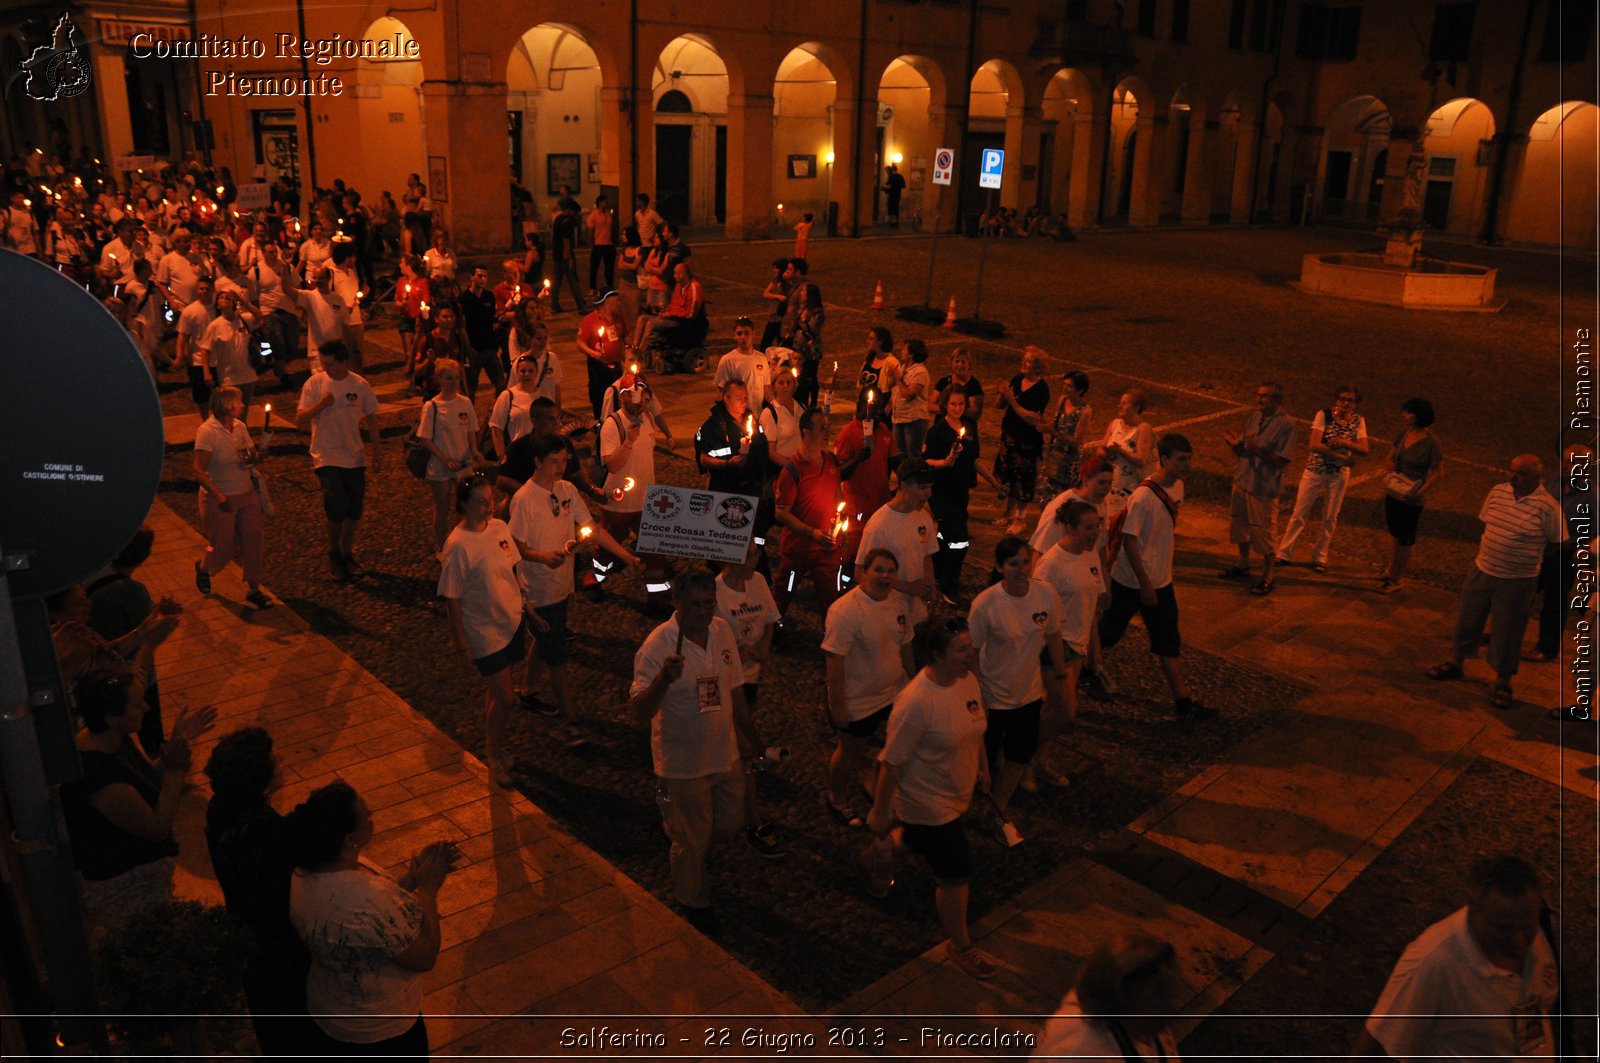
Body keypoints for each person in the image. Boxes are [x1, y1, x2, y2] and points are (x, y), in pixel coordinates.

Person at [288, 781, 459, 1057]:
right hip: (378, 1030)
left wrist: (413, 878)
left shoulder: (306, 872)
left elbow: (374, 919)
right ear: (349, 838)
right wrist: (428, 888)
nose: (372, 816)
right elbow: (424, 956)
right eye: (366, 815)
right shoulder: (364, 900)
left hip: (330, 1007)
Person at [866, 619, 995, 979]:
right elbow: (891, 762)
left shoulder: (966, 680)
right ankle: (961, 944)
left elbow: (976, 723)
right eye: (962, 649)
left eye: (970, 647)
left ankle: (882, 854)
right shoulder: (916, 701)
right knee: (955, 873)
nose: (970, 655)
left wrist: (983, 768)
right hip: (928, 801)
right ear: (937, 655)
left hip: (957, 792)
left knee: (915, 840)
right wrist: (880, 809)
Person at [629, 570, 758, 927]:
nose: (703, 612)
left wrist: (751, 736)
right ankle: (693, 900)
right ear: (677, 603)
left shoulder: (722, 632)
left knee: (730, 823)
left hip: (723, 754)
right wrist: (663, 681)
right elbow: (639, 713)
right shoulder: (657, 647)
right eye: (695, 605)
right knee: (693, 841)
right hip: (682, 766)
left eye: (709, 604)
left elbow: (734, 690)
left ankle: (682, 833)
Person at [1355, 855, 1558, 1059]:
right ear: (1473, 907)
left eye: (1526, 927)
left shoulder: (1531, 928)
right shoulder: (1435, 962)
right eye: (1502, 929)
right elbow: (1376, 1049)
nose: (1518, 940)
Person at [60, 668, 215, 931]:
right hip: (126, 887)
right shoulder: (99, 777)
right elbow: (155, 827)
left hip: (140, 873)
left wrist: (176, 745)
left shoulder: (111, 738)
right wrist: (176, 769)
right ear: (111, 716)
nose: (146, 708)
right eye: (137, 704)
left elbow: (143, 782)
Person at [508, 435, 639, 747]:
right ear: (537, 462)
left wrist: (625, 556)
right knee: (558, 658)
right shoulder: (524, 499)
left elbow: (592, 529)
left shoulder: (566, 490)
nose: (561, 467)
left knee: (546, 640)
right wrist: (543, 557)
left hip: (561, 586)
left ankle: (527, 691)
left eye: (565, 461)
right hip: (538, 590)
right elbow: (516, 546)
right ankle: (570, 724)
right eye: (554, 461)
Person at [203, 728, 319, 1055]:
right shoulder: (267, 831)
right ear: (259, 779)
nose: (282, 761)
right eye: (275, 760)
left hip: (248, 935)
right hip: (280, 946)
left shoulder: (220, 808)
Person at [1427, 455, 1565, 709]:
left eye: (1521, 473)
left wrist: (1523, 558)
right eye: (1511, 471)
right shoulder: (1497, 492)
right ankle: (1456, 663)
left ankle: (1503, 681)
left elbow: (1557, 544)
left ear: (1537, 478)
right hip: (1483, 569)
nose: (1513, 478)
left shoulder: (1548, 508)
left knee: (1508, 630)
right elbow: (1486, 523)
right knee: (1468, 619)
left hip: (1517, 580)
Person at [1100, 433, 1215, 722]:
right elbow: (1129, 542)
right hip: (1131, 581)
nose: (1186, 465)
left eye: (1188, 459)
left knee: (1167, 639)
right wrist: (1146, 584)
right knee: (1107, 634)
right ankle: (1081, 671)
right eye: (1181, 460)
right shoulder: (1143, 496)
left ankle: (1183, 702)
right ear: (1164, 459)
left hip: (1161, 580)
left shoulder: (1179, 486)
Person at [439, 476, 534, 786]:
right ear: (464, 505)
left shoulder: (498, 528)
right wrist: (461, 643)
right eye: (480, 502)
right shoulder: (457, 545)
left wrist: (529, 609)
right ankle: (493, 752)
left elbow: (514, 569)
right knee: (506, 698)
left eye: (490, 500)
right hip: (483, 631)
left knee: (498, 691)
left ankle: (492, 743)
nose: (488, 507)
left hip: (510, 620)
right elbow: (452, 598)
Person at [967, 537, 1065, 829]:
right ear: (1000, 567)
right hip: (993, 696)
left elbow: (1054, 635)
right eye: (1013, 564)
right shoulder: (986, 604)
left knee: (1019, 755)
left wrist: (1059, 672)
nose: (1022, 569)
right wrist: (976, 693)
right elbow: (971, 650)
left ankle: (998, 810)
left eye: (1025, 561)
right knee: (979, 759)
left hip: (1028, 694)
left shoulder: (1045, 594)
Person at [822, 549, 917, 826]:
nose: (885, 576)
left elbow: (906, 643)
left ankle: (873, 784)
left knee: (897, 744)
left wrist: (914, 682)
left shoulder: (897, 602)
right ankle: (836, 798)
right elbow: (835, 662)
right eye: (879, 569)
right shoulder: (846, 611)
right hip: (860, 700)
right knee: (849, 751)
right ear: (863, 573)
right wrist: (838, 706)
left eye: (890, 571)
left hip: (894, 692)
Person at [714, 541, 785, 859]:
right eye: (750, 554)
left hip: (750, 677)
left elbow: (770, 618)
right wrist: (742, 651)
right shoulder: (715, 592)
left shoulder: (757, 582)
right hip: (727, 680)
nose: (757, 558)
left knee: (736, 741)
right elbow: (713, 636)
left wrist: (765, 647)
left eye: (757, 553)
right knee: (741, 746)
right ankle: (753, 820)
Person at [1032, 500, 1105, 787]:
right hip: (1058, 648)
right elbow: (1039, 612)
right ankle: (1026, 756)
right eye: (1088, 527)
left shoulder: (1090, 555)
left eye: (1097, 525)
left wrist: (1094, 651)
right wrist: (1057, 654)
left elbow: (1092, 605)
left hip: (1078, 647)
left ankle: (1034, 758)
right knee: (1065, 713)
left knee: (1052, 709)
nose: (1095, 532)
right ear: (1071, 527)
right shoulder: (1051, 564)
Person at [294, 341, 381, 582]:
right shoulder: (314, 384)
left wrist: (377, 450)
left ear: (344, 362)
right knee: (336, 505)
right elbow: (300, 418)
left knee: (354, 508)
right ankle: (333, 552)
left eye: (330, 364)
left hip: (353, 456)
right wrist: (321, 405)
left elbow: (372, 418)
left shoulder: (359, 385)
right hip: (326, 455)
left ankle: (346, 552)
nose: (325, 369)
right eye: (323, 364)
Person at [84, 527, 172, 757]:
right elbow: (149, 631)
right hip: (133, 670)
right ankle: (159, 764)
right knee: (150, 728)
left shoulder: (92, 575)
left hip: (98, 670)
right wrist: (160, 617)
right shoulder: (130, 590)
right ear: (144, 556)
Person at [1035, 933, 1185, 1058]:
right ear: (1122, 1000)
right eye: (1158, 998)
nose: (1173, 1006)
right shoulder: (1079, 1052)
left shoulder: (1147, 1025)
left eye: (1172, 992)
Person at [597, 372, 673, 612]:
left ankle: (657, 598)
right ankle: (594, 578)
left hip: (646, 500)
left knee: (654, 548)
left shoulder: (648, 418)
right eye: (632, 393)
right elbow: (612, 465)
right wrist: (628, 441)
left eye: (641, 393)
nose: (638, 398)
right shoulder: (613, 424)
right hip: (619, 502)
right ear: (622, 397)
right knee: (608, 546)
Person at [1275, 385, 1369, 573]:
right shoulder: (1324, 415)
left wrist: (1345, 442)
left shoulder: (1359, 421)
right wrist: (1342, 457)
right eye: (1342, 399)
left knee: (1330, 517)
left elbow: (1364, 449)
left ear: (1356, 404)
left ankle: (1320, 557)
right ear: (1336, 400)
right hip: (1315, 470)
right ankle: (1284, 553)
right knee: (1299, 513)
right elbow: (1314, 444)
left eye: (1350, 400)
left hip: (1338, 475)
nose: (1345, 403)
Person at [193, 386, 272, 607]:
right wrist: (218, 496)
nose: (243, 405)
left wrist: (259, 456)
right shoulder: (207, 432)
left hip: (246, 494)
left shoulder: (240, 427)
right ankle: (204, 568)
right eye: (239, 402)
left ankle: (253, 588)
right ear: (227, 405)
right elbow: (198, 470)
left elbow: (248, 460)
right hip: (221, 499)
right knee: (223, 545)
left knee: (252, 540)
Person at [923, 388, 998, 606]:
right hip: (942, 492)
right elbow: (926, 461)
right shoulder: (937, 431)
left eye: (961, 404)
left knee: (946, 537)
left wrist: (992, 480)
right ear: (946, 405)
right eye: (953, 404)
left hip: (961, 491)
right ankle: (949, 584)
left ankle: (935, 571)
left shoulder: (970, 428)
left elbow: (974, 458)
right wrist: (944, 463)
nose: (957, 408)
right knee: (960, 540)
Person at [1220, 381, 1295, 596]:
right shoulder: (1255, 417)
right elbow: (1245, 451)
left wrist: (1256, 449)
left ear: (1277, 400)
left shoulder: (1287, 425)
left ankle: (1268, 577)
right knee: (1240, 526)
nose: (1259, 399)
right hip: (1243, 480)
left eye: (1265, 396)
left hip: (1262, 487)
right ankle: (1243, 564)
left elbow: (1282, 460)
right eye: (1258, 395)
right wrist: (1236, 446)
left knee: (1265, 532)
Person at [772, 407, 846, 620]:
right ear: (806, 432)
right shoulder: (792, 470)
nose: (827, 432)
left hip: (827, 549)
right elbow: (780, 512)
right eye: (822, 428)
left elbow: (838, 496)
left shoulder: (831, 460)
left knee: (832, 598)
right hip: (799, 550)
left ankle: (831, 639)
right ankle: (773, 631)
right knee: (784, 593)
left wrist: (841, 524)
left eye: (828, 427)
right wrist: (810, 532)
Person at [855, 458, 939, 636]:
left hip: (918, 616)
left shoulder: (923, 517)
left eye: (930, 487)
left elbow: (926, 556)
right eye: (923, 488)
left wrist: (930, 585)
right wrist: (909, 588)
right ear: (904, 485)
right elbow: (860, 574)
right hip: (888, 617)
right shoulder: (879, 526)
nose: (929, 494)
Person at [1379, 397, 1445, 594]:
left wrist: (1419, 492)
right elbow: (1391, 455)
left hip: (1412, 497)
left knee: (1406, 538)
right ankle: (1391, 570)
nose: (1404, 415)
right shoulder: (1403, 434)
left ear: (1419, 416)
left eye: (1408, 412)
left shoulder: (1431, 443)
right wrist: (1388, 463)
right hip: (1395, 491)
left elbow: (1437, 472)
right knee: (1395, 534)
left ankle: (1397, 578)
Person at [1538, 443, 1592, 676]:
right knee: (1522, 592)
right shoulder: (1553, 482)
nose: (1565, 466)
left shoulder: (1592, 498)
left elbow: (1591, 535)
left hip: (1563, 555)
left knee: (1554, 601)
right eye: (1565, 461)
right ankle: (1509, 631)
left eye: (1572, 462)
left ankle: (1547, 648)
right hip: (1540, 548)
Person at [417, 359, 483, 552]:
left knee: (470, 505)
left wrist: (475, 450)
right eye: (448, 378)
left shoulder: (465, 402)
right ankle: (441, 546)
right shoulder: (432, 407)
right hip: (439, 465)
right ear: (439, 379)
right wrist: (445, 459)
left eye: (456, 378)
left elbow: (472, 430)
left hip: (463, 464)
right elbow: (425, 439)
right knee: (443, 507)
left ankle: (470, 542)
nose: (453, 382)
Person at [835, 388, 898, 587]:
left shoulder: (884, 430)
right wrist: (858, 458)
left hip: (881, 505)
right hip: (858, 508)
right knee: (854, 554)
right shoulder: (847, 434)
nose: (876, 412)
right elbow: (839, 474)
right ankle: (843, 588)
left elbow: (895, 460)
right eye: (871, 406)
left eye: (879, 407)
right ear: (859, 406)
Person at [995, 347, 1051, 536]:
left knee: (1023, 479)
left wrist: (1011, 400)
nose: (1023, 363)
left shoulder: (1042, 389)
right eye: (1023, 360)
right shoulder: (1018, 379)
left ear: (1038, 367)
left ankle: (1021, 518)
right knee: (1009, 475)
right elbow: (999, 405)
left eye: (1028, 361)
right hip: (1009, 436)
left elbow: (1031, 418)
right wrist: (1001, 393)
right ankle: (1008, 512)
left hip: (1026, 441)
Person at [197, 289, 257, 413]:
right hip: (228, 376)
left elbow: (260, 317)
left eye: (228, 297)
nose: (225, 299)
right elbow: (204, 349)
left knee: (244, 410)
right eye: (222, 297)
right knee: (230, 411)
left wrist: (242, 301)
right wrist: (206, 372)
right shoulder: (215, 325)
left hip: (248, 374)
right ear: (217, 305)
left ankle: (241, 431)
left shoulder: (244, 319)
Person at [631, 260, 703, 353]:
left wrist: (670, 315)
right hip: (672, 317)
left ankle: (640, 351)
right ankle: (634, 347)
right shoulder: (679, 286)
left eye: (675, 273)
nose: (673, 276)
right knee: (642, 319)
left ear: (682, 275)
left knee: (651, 323)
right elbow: (673, 304)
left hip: (680, 322)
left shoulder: (694, 287)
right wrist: (664, 311)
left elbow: (690, 313)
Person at [1103, 388, 1156, 513]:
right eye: (1120, 402)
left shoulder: (1143, 429)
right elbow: (1100, 450)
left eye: (1124, 403)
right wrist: (1108, 451)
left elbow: (1141, 460)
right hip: (1112, 486)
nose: (1119, 406)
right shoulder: (1114, 424)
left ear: (1136, 408)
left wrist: (1120, 451)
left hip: (1131, 488)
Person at [577, 289, 627, 418]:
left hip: (616, 365)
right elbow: (580, 343)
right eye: (616, 301)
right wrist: (593, 353)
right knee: (599, 395)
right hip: (598, 366)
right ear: (607, 302)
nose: (619, 304)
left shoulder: (619, 319)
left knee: (617, 395)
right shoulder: (590, 320)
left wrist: (631, 351)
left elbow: (626, 338)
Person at [1045, 370, 1093, 497]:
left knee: (1064, 494)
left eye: (1069, 386)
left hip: (1069, 459)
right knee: (1048, 490)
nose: (1065, 388)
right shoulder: (1062, 400)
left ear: (1080, 390)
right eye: (1064, 384)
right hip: (1055, 453)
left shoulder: (1085, 411)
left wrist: (1053, 432)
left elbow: (1077, 440)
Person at [174, 275, 216, 413]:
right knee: (202, 395)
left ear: (213, 290)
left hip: (219, 358)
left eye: (207, 289)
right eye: (201, 289)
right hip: (197, 359)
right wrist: (180, 356)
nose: (203, 292)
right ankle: (205, 419)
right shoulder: (190, 311)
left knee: (220, 394)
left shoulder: (218, 309)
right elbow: (182, 336)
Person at [713, 316, 771, 411]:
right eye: (739, 334)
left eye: (746, 333)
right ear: (734, 336)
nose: (743, 337)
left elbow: (766, 388)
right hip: (738, 415)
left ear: (753, 334)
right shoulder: (728, 360)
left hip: (758, 414)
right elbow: (721, 391)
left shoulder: (762, 358)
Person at [890, 338, 933, 461]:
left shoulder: (920, 372)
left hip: (914, 420)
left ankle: (913, 480)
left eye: (904, 349)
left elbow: (908, 394)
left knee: (913, 457)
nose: (901, 351)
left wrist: (898, 379)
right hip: (899, 419)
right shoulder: (903, 368)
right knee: (899, 455)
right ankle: (903, 480)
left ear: (912, 354)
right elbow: (895, 390)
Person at [759, 355, 804, 465]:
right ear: (774, 386)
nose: (785, 386)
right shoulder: (770, 413)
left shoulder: (801, 407)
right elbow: (771, 452)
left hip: (802, 464)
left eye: (789, 383)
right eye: (781, 383)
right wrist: (792, 468)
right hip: (783, 468)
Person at [934, 347, 985, 425]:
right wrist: (955, 409)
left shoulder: (974, 385)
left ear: (969, 365)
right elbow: (930, 405)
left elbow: (975, 413)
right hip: (942, 426)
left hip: (964, 428)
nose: (960, 365)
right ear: (951, 363)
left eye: (963, 362)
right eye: (957, 361)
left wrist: (946, 408)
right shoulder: (943, 382)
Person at [547, 202, 582, 312]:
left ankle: (554, 305)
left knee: (556, 283)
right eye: (575, 212)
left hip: (557, 255)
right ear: (570, 210)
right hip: (565, 256)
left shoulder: (557, 219)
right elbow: (566, 241)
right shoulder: (567, 222)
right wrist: (569, 258)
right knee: (573, 281)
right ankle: (581, 305)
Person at [586, 194, 616, 295]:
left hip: (608, 244)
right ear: (599, 203)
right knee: (594, 268)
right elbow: (590, 231)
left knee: (609, 267)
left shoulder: (608, 214)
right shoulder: (593, 215)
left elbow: (611, 229)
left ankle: (609, 286)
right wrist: (591, 244)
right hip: (598, 244)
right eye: (604, 202)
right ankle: (592, 287)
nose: (606, 203)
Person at [882, 164, 906, 228]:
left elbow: (888, 186)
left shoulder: (891, 177)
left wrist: (883, 187)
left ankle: (891, 222)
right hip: (898, 194)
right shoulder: (900, 176)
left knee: (891, 208)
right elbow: (903, 186)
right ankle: (896, 222)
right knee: (896, 208)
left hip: (891, 194)